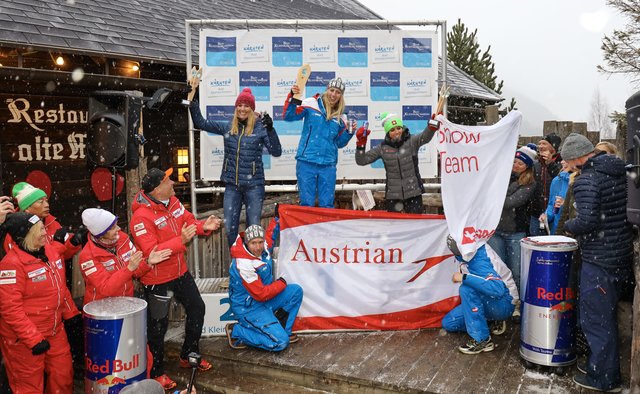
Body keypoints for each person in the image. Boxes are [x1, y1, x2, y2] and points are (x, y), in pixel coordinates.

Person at [130, 168, 223, 390]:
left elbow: (189, 221)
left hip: (180, 272)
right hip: (157, 280)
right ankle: (157, 372)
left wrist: (203, 227)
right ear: (156, 189)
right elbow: (151, 251)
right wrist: (179, 240)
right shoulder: (140, 217)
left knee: (197, 308)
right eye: (167, 180)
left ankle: (189, 354)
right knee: (158, 328)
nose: (172, 182)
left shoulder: (172, 201)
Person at [559, 133, 633, 393]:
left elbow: (587, 221)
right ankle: (600, 366)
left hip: (599, 259)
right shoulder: (622, 170)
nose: (566, 165)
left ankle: (603, 378)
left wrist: (568, 226)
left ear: (578, 157)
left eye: (567, 161)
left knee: (597, 320)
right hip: (621, 254)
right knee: (607, 317)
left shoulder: (587, 180)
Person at [189, 81, 282, 247]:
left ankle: (250, 265)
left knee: (253, 228)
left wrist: (270, 129)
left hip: (254, 186)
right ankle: (237, 260)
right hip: (233, 186)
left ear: (252, 109)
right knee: (230, 228)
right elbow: (201, 123)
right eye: (239, 105)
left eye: (246, 106)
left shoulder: (260, 128)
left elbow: (276, 151)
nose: (242, 109)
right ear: (236, 108)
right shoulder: (228, 127)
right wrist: (192, 100)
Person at [0, 212, 79, 393]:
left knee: (63, 376)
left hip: (54, 330)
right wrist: (33, 339)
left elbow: (60, 287)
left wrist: (71, 313)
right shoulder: (11, 265)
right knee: (29, 386)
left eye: (43, 227)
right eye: (38, 230)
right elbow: (10, 309)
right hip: (24, 339)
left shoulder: (50, 251)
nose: (45, 233)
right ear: (25, 236)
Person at [225, 219, 303, 351]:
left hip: (266, 300)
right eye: (253, 243)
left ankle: (283, 329)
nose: (258, 247)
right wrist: (281, 283)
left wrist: (277, 218)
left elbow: (270, 234)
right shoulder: (243, 264)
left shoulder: (263, 247)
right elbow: (261, 294)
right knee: (281, 343)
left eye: (260, 242)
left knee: (295, 291)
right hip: (249, 308)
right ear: (246, 243)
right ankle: (236, 331)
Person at [283, 77, 355, 208]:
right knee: (306, 204)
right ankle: (306, 229)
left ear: (341, 96)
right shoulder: (311, 103)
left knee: (327, 205)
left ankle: (324, 228)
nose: (334, 94)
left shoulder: (342, 116)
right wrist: (292, 96)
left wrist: (349, 133)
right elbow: (289, 115)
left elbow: (339, 143)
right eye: (332, 90)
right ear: (327, 89)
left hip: (328, 165)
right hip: (307, 162)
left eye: (338, 92)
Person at [79, 208, 172, 304]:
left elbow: (135, 272)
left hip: (125, 302)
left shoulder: (122, 238)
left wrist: (147, 262)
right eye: (113, 228)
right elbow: (105, 289)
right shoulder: (87, 257)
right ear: (101, 235)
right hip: (101, 309)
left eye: (116, 224)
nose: (118, 229)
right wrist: (129, 269)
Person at [441, 236, 515, 354]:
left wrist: (464, 278)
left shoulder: (481, 258)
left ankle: (482, 340)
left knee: (466, 289)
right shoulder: (468, 254)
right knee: (449, 323)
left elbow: (497, 289)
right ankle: (487, 323)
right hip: (486, 299)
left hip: (504, 302)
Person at [354, 112, 435, 213]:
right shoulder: (383, 148)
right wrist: (360, 145)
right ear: (387, 132)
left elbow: (425, 137)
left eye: (398, 128)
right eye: (392, 130)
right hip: (393, 196)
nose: (397, 132)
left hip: (413, 193)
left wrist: (432, 127)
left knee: (415, 225)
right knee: (394, 227)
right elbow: (361, 160)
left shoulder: (412, 141)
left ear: (402, 128)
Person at [487, 145, 537, 290]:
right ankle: (502, 298)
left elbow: (510, 202)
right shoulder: (501, 175)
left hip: (516, 231)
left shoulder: (529, 183)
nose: (515, 165)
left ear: (527, 166)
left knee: (516, 271)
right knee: (498, 268)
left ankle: (518, 301)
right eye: (514, 161)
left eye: (520, 163)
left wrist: (495, 195)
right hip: (496, 230)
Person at [9, 182, 85, 259]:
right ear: (27, 208)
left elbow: (63, 256)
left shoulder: (53, 224)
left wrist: (73, 243)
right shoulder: (15, 231)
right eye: (41, 202)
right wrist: (57, 245)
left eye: (46, 201)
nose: (47, 205)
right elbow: (34, 261)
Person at [529, 134, 562, 236]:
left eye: (544, 143)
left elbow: (562, 179)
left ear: (553, 147)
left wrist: (550, 164)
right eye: (539, 144)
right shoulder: (535, 164)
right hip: (536, 215)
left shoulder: (563, 162)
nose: (540, 146)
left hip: (556, 214)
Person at [538, 160, 571, 235]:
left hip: (573, 231)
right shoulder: (557, 180)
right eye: (562, 159)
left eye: (566, 159)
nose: (562, 162)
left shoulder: (582, 180)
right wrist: (546, 216)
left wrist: (566, 204)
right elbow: (552, 206)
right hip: (557, 231)